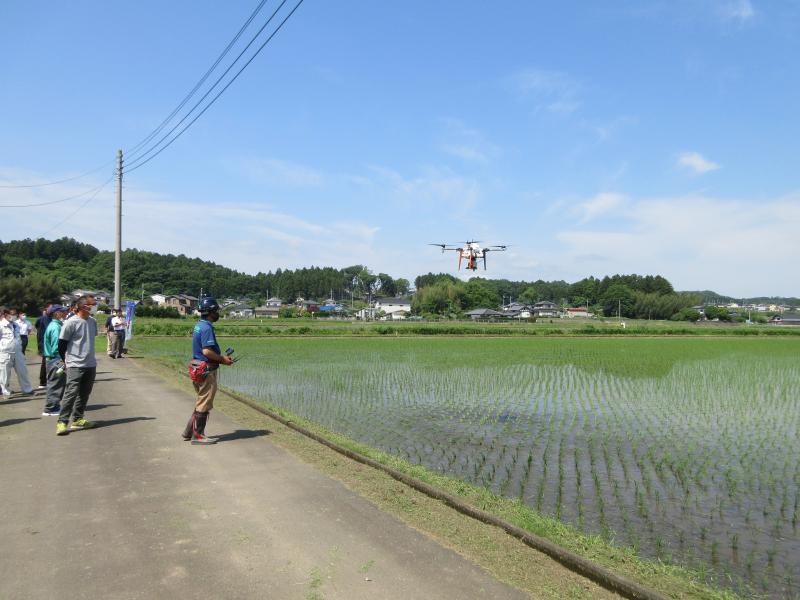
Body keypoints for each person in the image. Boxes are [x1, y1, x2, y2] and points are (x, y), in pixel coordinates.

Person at [182, 296, 233, 445]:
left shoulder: (199, 325)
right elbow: (207, 352)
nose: (217, 313)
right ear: (210, 311)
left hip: (197, 367)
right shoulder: (207, 327)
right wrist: (223, 359)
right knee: (204, 402)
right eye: (216, 310)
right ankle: (198, 436)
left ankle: (188, 432)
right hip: (206, 370)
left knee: (201, 401)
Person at [56, 295, 98, 436]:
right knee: (71, 393)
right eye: (90, 305)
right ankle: (62, 422)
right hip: (75, 364)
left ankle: (78, 419)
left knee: (85, 393)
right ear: (81, 306)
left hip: (90, 363)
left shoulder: (93, 321)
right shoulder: (70, 323)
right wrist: (66, 362)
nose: (93, 307)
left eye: (93, 305)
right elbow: (61, 345)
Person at [0, 307, 34, 396]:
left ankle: (27, 390)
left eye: (15, 314)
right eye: (12, 314)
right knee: (5, 374)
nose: (13, 316)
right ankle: (6, 392)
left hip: (18, 352)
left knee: (22, 371)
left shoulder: (15, 325)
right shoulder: (1, 325)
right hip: (5, 353)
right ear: (5, 315)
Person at [42, 305, 67, 416]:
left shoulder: (55, 325)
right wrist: (63, 363)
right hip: (56, 359)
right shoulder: (56, 327)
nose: (65, 313)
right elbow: (56, 347)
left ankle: (54, 406)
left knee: (57, 382)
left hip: (54, 359)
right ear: (57, 313)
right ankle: (51, 408)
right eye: (63, 312)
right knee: (56, 383)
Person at [35, 304, 52, 388]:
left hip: (52, 343)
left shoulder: (54, 319)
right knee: (45, 362)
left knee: (53, 362)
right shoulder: (41, 319)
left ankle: (50, 380)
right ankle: (42, 382)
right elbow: (37, 328)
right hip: (44, 343)